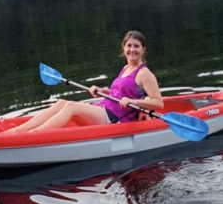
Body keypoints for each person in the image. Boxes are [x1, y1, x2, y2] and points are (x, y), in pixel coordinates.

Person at [10, 31, 163, 132]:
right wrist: (104, 91)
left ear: (143, 49)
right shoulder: (125, 68)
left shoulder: (144, 74)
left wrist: (133, 101)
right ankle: (18, 131)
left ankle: (35, 134)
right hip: (105, 108)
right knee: (61, 102)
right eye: (129, 46)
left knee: (70, 106)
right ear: (123, 48)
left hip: (115, 118)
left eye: (136, 46)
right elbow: (120, 93)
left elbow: (158, 103)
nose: (132, 50)